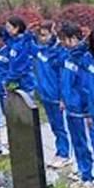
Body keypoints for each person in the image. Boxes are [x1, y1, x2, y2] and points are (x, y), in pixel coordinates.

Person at [59, 23, 94, 188]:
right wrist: (63, 98)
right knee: (78, 144)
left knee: (89, 144)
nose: (62, 43)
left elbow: (88, 87)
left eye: (64, 40)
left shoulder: (85, 58)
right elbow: (66, 80)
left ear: (74, 38)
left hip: (82, 110)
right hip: (71, 108)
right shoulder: (69, 56)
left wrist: (89, 111)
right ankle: (84, 174)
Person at [33, 21, 71, 168]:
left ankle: (64, 153)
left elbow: (63, 77)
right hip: (45, 94)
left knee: (60, 126)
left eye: (44, 35)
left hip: (56, 96)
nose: (41, 38)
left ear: (52, 34)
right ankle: (59, 150)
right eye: (40, 35)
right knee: (54, 126)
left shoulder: (59, 52)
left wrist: (62, 97)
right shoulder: (42, 50)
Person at [4, 16, 36, 94]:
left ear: (16, 28)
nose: (7, 30)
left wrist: (9, 79)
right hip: (15, 80)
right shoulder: (13, 42)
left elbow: (19, 65)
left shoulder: (23, 44)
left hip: (25, 82)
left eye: (8, 27)